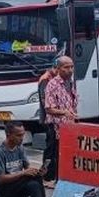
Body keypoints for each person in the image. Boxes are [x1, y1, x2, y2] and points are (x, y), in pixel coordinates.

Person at [41, 55, 78, 188]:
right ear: (58, 68)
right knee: (52, 153)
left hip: (68, 126)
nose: (70, 70)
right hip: (54, 126)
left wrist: (72, 115)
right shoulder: (52, 84)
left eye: (71, 67)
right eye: (66, 67)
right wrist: (64, 113)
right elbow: (49, 108)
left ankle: (59, 178)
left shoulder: (70, 82)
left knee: (65, 154)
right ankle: (47, 178)